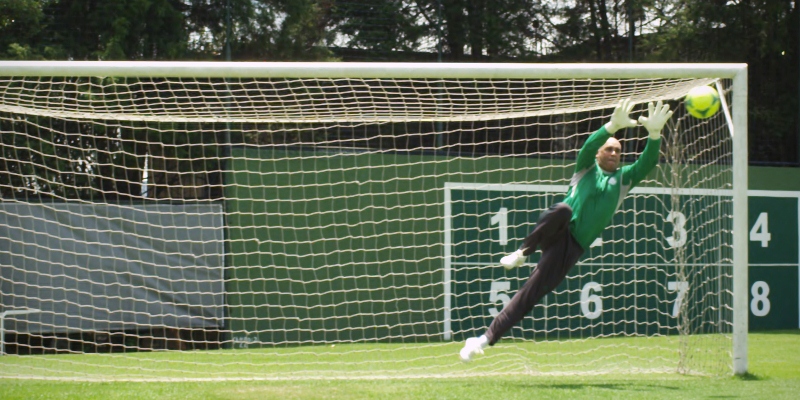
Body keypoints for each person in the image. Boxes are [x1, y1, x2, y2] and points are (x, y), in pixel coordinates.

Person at [459, 98, 673, 362]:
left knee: (531, 293)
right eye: (609, 149)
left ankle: (482, 339)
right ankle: (522, 251)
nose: (614, 154)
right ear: (599, 154)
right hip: (557, 227)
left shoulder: (624, 180)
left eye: (618, 151)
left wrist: (654, 135)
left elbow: (648, 162)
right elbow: (589, 144)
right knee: (563, 210)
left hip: (571, 247)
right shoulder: (585, 168)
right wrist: (610, 127)